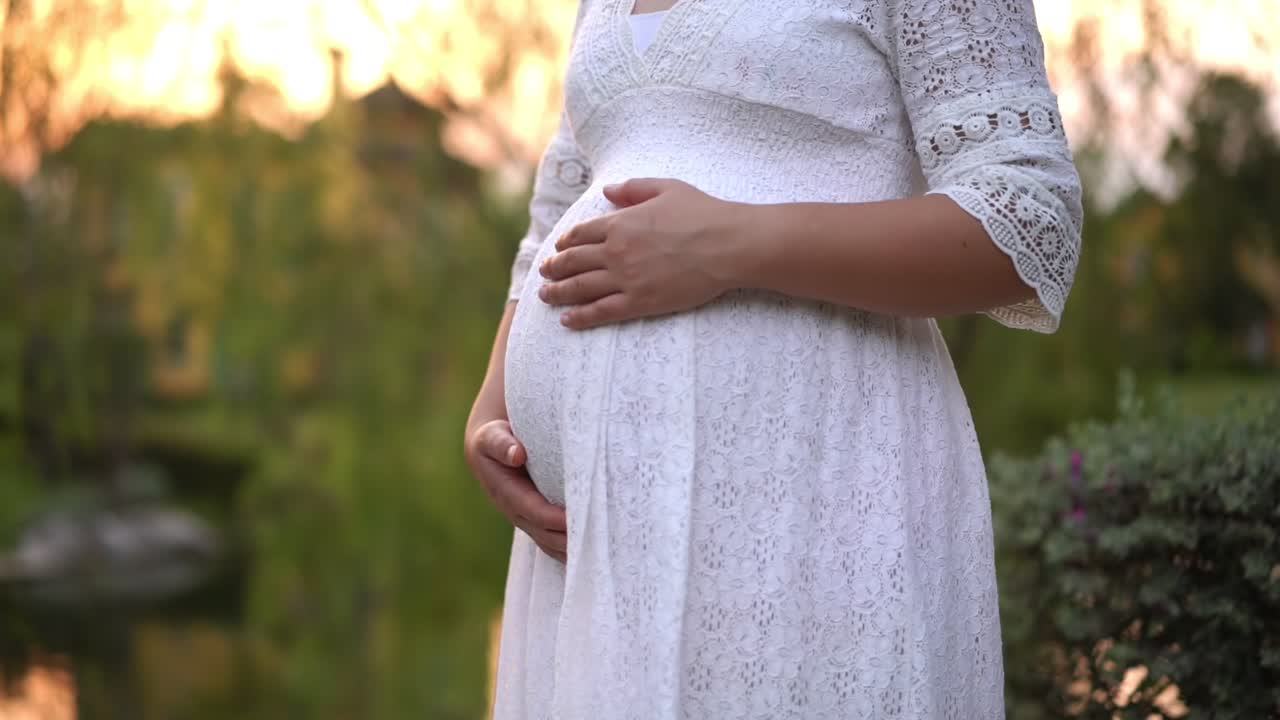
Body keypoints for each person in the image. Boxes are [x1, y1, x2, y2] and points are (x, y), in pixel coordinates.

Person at [464, 0, 1082, 716]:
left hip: (813, 495)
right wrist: (492, 409)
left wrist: (732, 246)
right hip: (595, 546)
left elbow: (1028, 221)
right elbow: (557, 214)